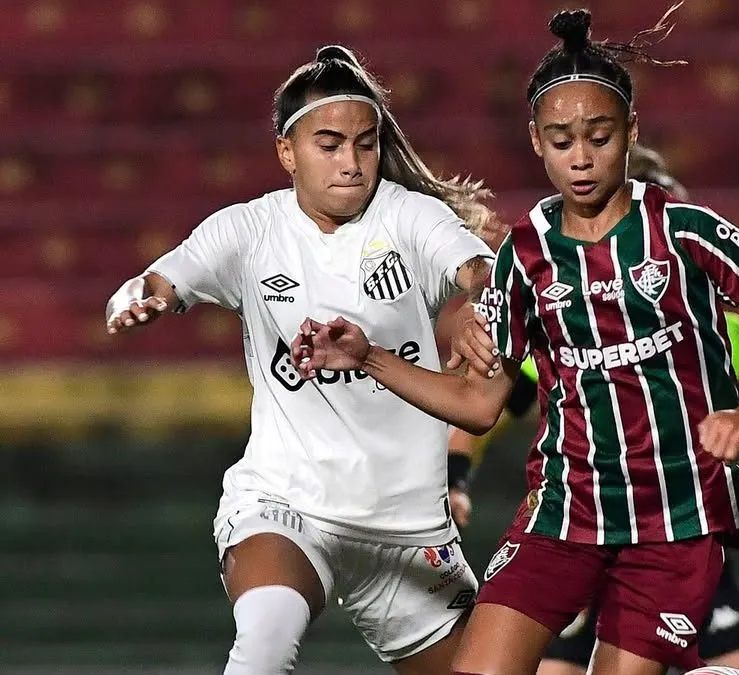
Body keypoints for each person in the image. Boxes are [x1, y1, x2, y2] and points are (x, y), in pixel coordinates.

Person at [291, 9, 739, 675]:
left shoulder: (689, 233)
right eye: (562, 139)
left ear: (630, 131)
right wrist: (366, 355)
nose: (581, 157)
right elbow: (480, 403)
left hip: (674, 525)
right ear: (537, 141)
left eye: (599, 137)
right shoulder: (525, 256)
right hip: (562, 518)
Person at [103, 45, 495, 675]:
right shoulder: (250, 231)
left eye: (365, 145)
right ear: (287, 151)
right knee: (264, 644)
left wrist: (485, 305)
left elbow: (478, 270)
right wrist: (137, 301)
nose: (351, 163)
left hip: (409, 528)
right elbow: (158, 281)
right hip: (289, 506)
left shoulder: (412, 217)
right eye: (330, 144)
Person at [445, 146, 739, 675]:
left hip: (680, 534)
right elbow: (481, 410)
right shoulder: (560, 320)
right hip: (585, 534)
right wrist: (455, 480)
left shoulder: (727, 332)